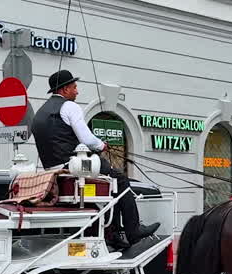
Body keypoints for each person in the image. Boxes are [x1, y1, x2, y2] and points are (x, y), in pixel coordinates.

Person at [31, 69, 158, 247]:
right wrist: (101, 145)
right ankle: (133, 230)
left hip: (52, 169)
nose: (77, 91)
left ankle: (112, 232)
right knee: (120, 180)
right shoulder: (69, 107)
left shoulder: (40, 113)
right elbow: (87, 139)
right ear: (65, 89)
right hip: (73, 165)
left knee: (110, 186)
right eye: (74, 87)